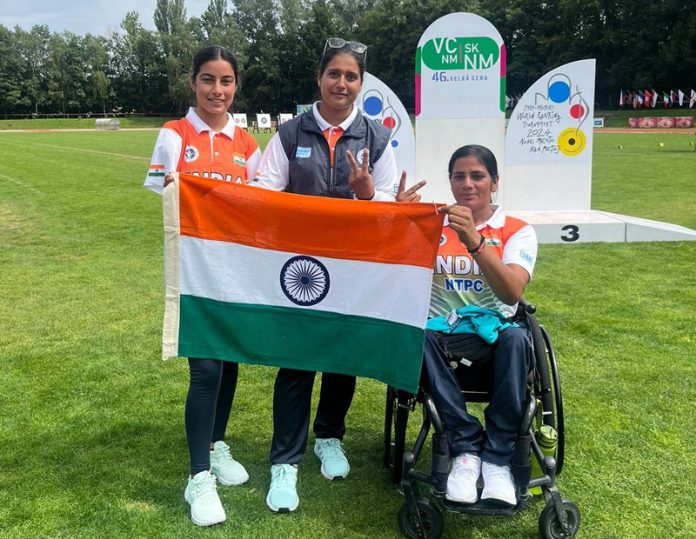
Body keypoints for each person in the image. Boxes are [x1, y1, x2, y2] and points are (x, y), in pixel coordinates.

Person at [251, 37, 399, 513]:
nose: (341, 83)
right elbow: (262, 195)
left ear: (361, 84)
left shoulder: (375, 138)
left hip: (354, 269)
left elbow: (392, 208)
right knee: (296, 363)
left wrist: (368, 193)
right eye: (334, 73)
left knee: (342, 358)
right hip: (300, 271)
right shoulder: (291, 134)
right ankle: (285, 461)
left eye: (351, 76)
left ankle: (329, 437)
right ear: (319, 78)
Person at [144, 45, 262, 527]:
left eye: (227, 81)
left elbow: (259, 206)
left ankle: (215, 447)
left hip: (234, 269)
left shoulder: (248, 144)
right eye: (209, 80)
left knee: (229, 362)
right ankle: (198, 478)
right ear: (193, 82)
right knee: (207, 370)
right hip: (194, 271)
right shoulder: (175, 134)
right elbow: (164, 196)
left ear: (236, 86)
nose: (218, 90)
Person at [402, 144, 538, 507]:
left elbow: (511, 293)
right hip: (443, 337)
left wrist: (476, 243)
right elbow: (392, 268)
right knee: (418, 336)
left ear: (494, 182)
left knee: (517, 339)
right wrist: (397, 221)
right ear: (450, 182)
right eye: (459, 176)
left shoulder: (517, 230)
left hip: (496, 338)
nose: (468, 184)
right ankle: (465, 449)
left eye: (477, 176)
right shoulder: (433, 225)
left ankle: (497, 458)